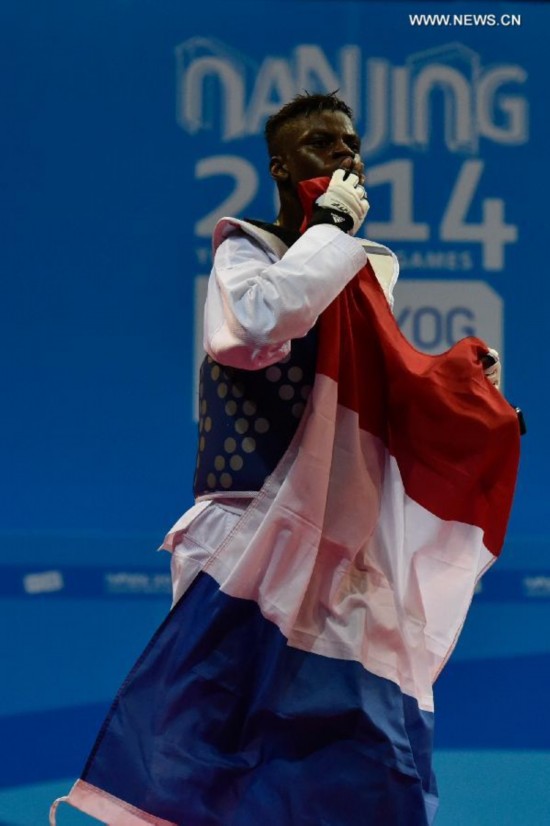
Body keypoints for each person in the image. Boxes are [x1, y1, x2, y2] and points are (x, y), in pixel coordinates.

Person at [51, 93, 519, 826]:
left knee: (368, 760)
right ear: (281, 166)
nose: (341, 157)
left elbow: (393, 402)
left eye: (349, 145)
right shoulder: (245, 251)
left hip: (338, 556)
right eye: (320, 146)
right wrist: (329, 228)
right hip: (245, 543)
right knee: (215, 762)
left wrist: (467, 394)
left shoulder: (362, 278)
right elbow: (256, 328)